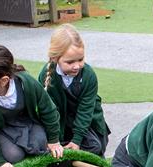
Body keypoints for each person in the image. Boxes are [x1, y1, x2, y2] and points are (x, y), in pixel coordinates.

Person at [37, 24, 110, 157]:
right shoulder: (46, 75)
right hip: (59, 121)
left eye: (80, 60)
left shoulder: (89, 75)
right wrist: (55, 140)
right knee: (41, 146)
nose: (77, 66)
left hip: (85, 120)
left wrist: (76, 141)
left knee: (95, 146)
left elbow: (85, 110)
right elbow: (49, 111)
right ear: (55, 58)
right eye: (70, 62)